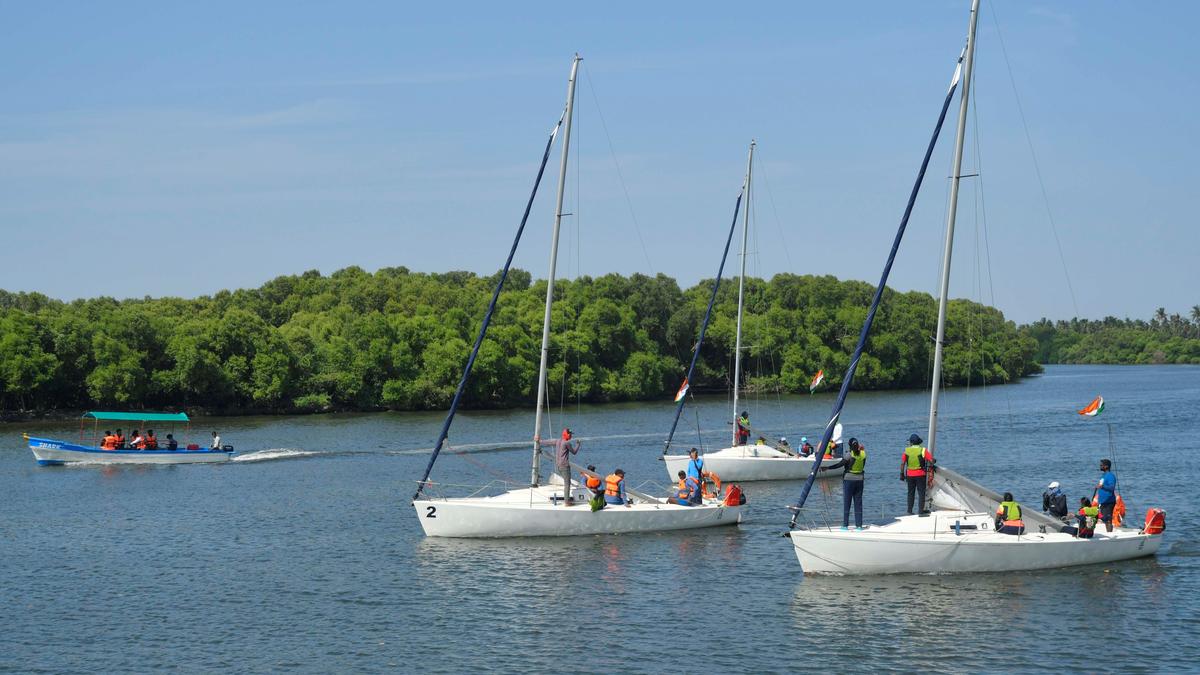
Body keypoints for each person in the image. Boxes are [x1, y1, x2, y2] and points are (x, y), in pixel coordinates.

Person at [823, 437, 867, 530]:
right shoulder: (863, 454)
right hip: (860, 480)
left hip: (849, 480)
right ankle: (859, 526)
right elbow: (863, 462)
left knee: (847, 502)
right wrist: (861, 449)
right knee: (858, 503)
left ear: (850, 446)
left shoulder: (849, 455)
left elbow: (839, 465)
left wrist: (827, 468)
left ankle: (845, 525)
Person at [900, 433, 934, 515]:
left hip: (909, 475)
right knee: (921, 492)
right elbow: (931, 460)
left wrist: (902, 474)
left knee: (910, 493)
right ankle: (920, 511)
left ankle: (909, 511)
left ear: (911, 442)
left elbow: (902, 464)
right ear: (919, 442)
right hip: (920, 474)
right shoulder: (923, 450)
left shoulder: (906, 450)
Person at [1094, 458, 1118, 532]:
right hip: (1102, 501)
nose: (1100, 466)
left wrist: (1102, 486)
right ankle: (1108, 532)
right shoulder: (1103, 475)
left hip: (1108, 501)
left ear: (1106, 466)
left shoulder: (1110, 476)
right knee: (1103, 519)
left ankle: (1110, 534)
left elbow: (1111, 487)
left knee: (1108, 519)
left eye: (1102, 465)